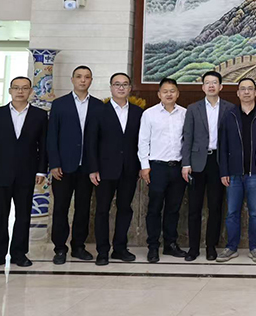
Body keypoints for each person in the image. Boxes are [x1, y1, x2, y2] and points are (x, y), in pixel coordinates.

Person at [0, 77, 48, 274]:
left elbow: (43, 146)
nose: (20, 91)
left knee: (23, 215)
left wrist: (41, 170)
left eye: (25, 88)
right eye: (16, 88)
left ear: (30, 91)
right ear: (10, 90)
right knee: (0, 215)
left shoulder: (39, 115)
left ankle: (19, 254)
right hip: (0, 172)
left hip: (27, 173)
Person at [85, 72, 144, 266]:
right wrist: (93, 168)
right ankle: (102, 251)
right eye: (117, 84)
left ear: (130, 88)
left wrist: (141, 166)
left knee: (125, 209)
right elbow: (91, 142)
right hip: (104, 170)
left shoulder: (138, 112)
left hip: (129, 169)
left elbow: (141, 142)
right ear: (111, 87)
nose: (121, 88)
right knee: (102, 210)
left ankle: (120, 248)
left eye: (125, 84)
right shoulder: (98, 111)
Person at [47, 65, 103, 264]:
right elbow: (52, 136)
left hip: (87, 168)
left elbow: (100, 139)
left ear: (91, 81)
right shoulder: (59, 104)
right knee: (61, 208)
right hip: (63, 167)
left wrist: (96, 166)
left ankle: (78, 246)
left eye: (87, 77)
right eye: (79, 76)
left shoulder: (98, 106)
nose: (83, 80)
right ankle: (60, 248)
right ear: (72, 79)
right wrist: (54, 163)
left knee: (83, 208)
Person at [181, 71, 234, 262]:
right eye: (207, 83)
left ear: (221, 86)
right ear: (203, 87)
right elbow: (187, 137)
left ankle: (211, 247)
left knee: (215, 206)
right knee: (194, 208)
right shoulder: (192, 108)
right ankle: (193, 248)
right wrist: (185, 163)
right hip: (196, 163)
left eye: (215, 82)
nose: (211, 86)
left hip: (218, 163)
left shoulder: (229, 108)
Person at [218, 77, 256, 263]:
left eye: (250, 89)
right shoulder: (229, 115)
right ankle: (231, 247)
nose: (246, 92)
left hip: (255, 173)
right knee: (232, 212)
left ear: (255, 92)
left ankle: (255, 247)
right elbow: (222, 145)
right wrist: (224, 171)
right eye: (243, 89)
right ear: (238, 93)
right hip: (234, 173)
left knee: (255, 212)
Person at [138, 78, 188, 263]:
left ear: (178, 94)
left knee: (173, 208)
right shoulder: (149, 114)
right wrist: (144, 166)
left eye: (172, 91)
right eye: (165, 91)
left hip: (178, 167)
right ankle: (153, 246)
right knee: (154, 208)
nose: (169, 94)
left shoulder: (185, 113)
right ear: (159, 94)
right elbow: (143, 141)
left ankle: (170, 244)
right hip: (157, 167)